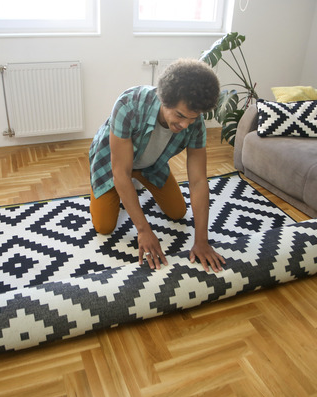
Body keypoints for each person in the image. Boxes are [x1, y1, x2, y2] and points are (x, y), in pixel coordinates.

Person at [88, 58, 225, 272]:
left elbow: (198, 182)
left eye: (192, 118)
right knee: (104, 227)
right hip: (114, 161)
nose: (185, 125)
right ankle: (122, 192)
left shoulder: (194, 123)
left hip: (151, 163)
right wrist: (143, 230)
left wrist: (202, 241)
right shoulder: (128, 105)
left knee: (178, 212)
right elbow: (120, 173)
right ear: (164, 98)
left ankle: (136, 185)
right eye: (179, 116)